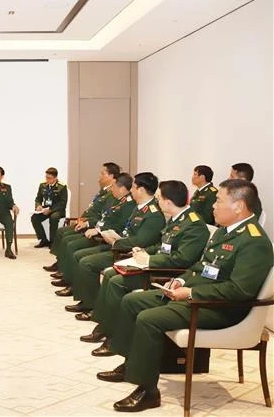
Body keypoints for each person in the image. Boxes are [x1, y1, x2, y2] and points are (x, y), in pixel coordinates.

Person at [101, 179, 272, 412]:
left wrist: (191, 292)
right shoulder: (226, 232)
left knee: (148, 319)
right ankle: (132, 363)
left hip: (222, 309)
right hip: (202, 297)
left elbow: (239, 291)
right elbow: (202, 266)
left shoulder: (254, 241)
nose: (212, 205)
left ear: (238, 206)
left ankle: (148, 391)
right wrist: (182, 280)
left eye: (219, 200)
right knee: (132, 301)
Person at [83, 180, 209, 357]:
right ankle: (105, 327)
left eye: (158, 198)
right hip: (156, 265)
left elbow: (182, 259)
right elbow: (161, 245)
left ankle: (112, 338)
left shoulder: (193, 224)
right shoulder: (176, 218)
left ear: (167, 202)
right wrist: (143, 252)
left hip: (167, 274)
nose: (156, 202)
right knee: (112, 274)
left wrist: (150, 260)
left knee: (117, 282)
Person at [63, 172, 165, 315]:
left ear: (141, 190)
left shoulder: (153, 214)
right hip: (118, 246)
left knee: (87, 263)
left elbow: (140, 242)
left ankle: (91, 305)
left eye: (134, 187)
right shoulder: (140, 207)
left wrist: (117, 241)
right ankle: (88, 301)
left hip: (127, 253)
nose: (132, 190)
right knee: (81, 256)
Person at [52, 173, 135, 296]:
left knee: (74, 248)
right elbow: (103, 217)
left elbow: (118, 227)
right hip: (101, 234)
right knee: (70, 242)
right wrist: (88, 223)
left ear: (122, 188)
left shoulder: (128, 204)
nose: (112, 189)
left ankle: (73, 285)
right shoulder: (116, 199)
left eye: (114, 186)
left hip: (110, 241)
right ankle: (68, 277)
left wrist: (97, 229)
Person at [44, 162, 120, 272]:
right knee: (62, 232)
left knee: (66, 237)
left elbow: (102, 215)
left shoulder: (112, 194)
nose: (100, 176)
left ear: (111, 176)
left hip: (93, 226)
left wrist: (88, 222)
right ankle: (60, 262)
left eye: (103, 174)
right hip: (87, 222)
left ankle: (63, 267)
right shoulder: (104, 191)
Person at [31, 167, 68, 249]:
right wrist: (38, 206)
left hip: (57, 210)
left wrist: (50, 210)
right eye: (46, 177)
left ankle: (53, 242)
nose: (47, 179)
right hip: (45, 209)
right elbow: (38, 199)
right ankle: (44, 240)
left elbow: (62, 203)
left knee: (53, 217)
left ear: (55, 178)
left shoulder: (62, 187)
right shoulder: (42, 185)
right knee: (34, 218)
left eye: (49, 178)